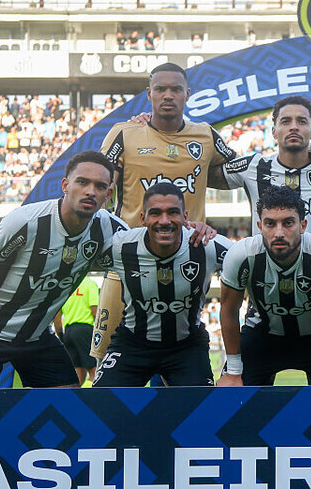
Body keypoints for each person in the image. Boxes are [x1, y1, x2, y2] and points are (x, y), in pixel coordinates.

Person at [91, 62, 232, 362]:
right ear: (149, 94)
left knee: (178, 362)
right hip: (126, 264)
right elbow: (99, 187)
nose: (168, 95)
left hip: (185, 263)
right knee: (106, 362)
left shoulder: (206, 135)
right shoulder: (124, 133)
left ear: (187, 94)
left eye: (176, 89)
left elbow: (238, 170)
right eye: (160, 89)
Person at [0, 151, 127, 388]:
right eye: (82, 182)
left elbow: (150, 247)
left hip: (36, 335)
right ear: (66, 185)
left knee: (69, 406)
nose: (90, 191)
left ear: (108, 194)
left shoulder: (109, 228)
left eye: (99, 186)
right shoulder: (27, 221)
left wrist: (191, 230)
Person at [92, 183, 231, 387]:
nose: (164, 221)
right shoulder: (122, 247)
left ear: (185, 217)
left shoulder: (207, 246)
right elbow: (78, 257)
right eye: (155, 213)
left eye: (172, 213)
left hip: (186, 346)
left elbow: (251, 261)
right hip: (132, 343)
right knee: (102, 406)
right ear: (143, 219)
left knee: (202, 413)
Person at [217, 187, 311, 386]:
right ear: (259, 226)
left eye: (288, 223)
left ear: (303, 225)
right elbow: (229, 311)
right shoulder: (241, 255)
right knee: (231, 401)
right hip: (262, 335)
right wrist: (232, 371)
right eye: (270, 224)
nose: (279, 233)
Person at [222, 96, 311, 239]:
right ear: (274, 132)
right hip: (265, 262)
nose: (294, 127)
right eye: (285, 121)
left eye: (302, 121)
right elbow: (207, 175)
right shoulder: (253, 167)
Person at [53, 277, 100, 386]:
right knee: (94, 373)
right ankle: (92, 400)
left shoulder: (67, 286)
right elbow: (95, 310)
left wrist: (61, 335)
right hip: (84, 330)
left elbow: (57, 316)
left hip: (68, 332)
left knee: (78, 373)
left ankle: (70, 399)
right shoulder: (89, 283)